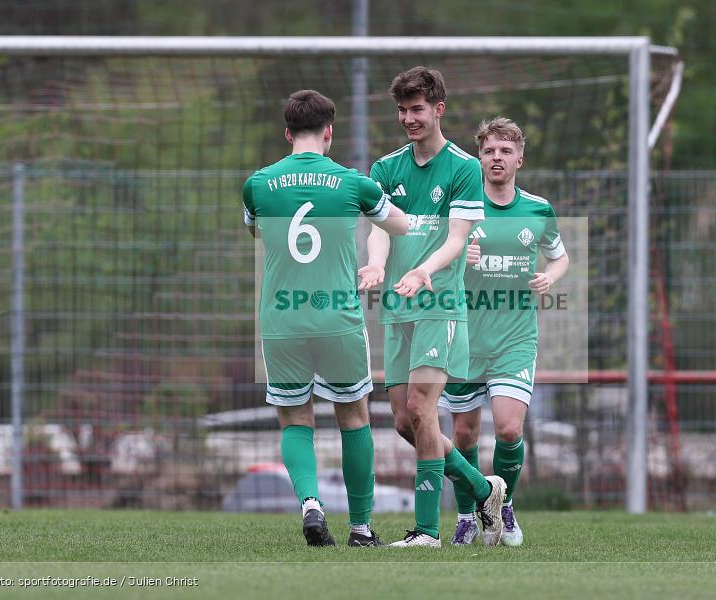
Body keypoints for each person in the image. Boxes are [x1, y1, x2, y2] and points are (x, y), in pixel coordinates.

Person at [243, 90, 408, 547]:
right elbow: (400, 225)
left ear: (287, 133)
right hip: (337, 316)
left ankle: (311, 503)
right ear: (329, 132)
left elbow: (256, 230)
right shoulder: (354, 183)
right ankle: (360, 528)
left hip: (282, 319)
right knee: (353, 417)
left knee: (295, 419)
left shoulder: (257, 184)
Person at [359, 67, 506, 548]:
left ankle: (426, 531)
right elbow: (380, 229)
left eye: (417, 109)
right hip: (398, 308)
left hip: (440, 306)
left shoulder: (463, 167)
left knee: (423, 408)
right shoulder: (385, 169)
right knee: (406, 422)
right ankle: (484, 490)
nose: (409, 118)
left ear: (438, 109)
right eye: (402, 110)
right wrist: (376, 264)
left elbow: (458, 238)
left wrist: (424, 270)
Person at [441, 117, 569, 546]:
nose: (497, 158)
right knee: (463, 435)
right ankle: (466, 516)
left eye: (505, 151)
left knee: (510, 429)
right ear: (479, 158)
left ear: (519, 159)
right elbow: (434, 261)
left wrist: (550, 277)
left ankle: (504, 506)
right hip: (464, 336)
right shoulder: (462, 208)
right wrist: (460, 258)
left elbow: (560, 257)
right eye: (489, 151)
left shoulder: (537, 209)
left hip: (515, 338)